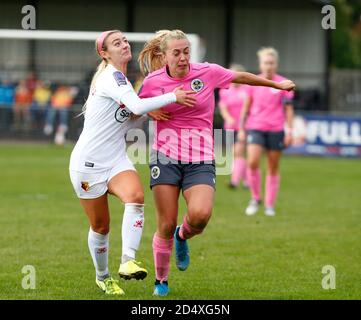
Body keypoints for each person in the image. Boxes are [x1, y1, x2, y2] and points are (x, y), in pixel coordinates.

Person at [138, 30, 295, 296]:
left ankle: (182, 236)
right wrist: (149, 108)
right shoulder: (153, 81)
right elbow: (133, 104)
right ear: (164, 56)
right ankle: (161, 281)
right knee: (165, 223)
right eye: (176, 52)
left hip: (200, 158)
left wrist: (276, 85)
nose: (183, 57)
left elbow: (241, 77)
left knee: (200, 216)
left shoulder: (207, 72)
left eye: (186, 51)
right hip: (164, 157)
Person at [69, 29, 196, 296]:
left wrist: (151, 111)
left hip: (115, 159)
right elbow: (136, 108)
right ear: (104, 54)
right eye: (117, 43)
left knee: (136, 197)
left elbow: (130, 115)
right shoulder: (110, 76)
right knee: (101, 227)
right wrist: (173, 96)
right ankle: (102, 277)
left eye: (125, 40)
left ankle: (128, 260)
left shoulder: (122, 80)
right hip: (88, 163)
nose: (124, 44)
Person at [239, 47, 295, 217]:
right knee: (253, 161)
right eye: (265, 63)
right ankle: (255, 199)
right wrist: (241, 128)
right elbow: (246, 106)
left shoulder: (283, 84)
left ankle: (269, 204)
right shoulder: (253, 83)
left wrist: (290, 131)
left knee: (272, 167)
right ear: (260, 64)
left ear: (276, 64)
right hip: (255, 126)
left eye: (271, 63)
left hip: (276, 129)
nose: (268, 66)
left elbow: (289, 110)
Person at [218, 63, 249, 189]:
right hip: (230, 127)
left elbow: (246, 110)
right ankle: (248, 181)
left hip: (244, 127)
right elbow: (222, 106)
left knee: (238, 153)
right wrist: (227, 117)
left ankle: (234, 181)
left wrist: (242, 127)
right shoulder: (225, 90)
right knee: (236, 154)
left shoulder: (247, 90)